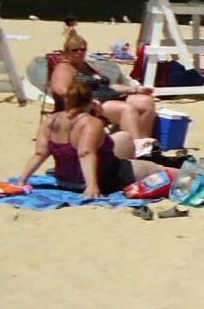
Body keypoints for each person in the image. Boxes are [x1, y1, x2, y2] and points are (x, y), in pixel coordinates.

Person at [14, 78, 169, 198]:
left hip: (64, 179)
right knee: (156, 170)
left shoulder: (50, 120)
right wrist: (92, 186)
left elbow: (40, 153)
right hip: (99, 178)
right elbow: (85, 154)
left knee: (125, 140)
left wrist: (22, 181)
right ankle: (190, 176)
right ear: (91, 100)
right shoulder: (90, 123)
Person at [51, 35, 157, 142]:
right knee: (126, 109)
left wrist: (136, 89)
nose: (80, 52)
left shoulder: (86, 65)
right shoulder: (64, 67)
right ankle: (136, 148)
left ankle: (145, 144)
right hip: (91, 104)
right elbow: (60, 90)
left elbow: (108, 86)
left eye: (83, 49)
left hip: (109, 96)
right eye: (75, 50)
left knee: (146, 102)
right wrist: (87, 100)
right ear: (67, 52)